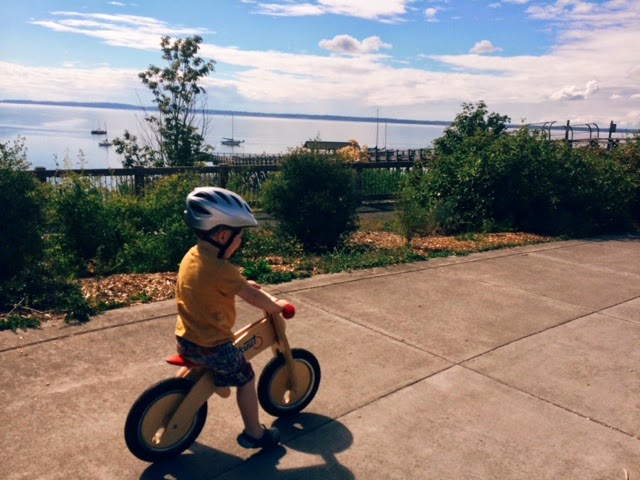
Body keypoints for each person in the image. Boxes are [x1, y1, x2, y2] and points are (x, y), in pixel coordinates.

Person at [175, 186, 289, 449]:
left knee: (197, 369)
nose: (240, 242)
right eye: (239, 237)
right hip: (212, 345)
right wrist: (276, 306)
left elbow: (214, 284)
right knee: (246, 377)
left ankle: (176, 397)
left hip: (187, 338)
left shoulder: (192, 256)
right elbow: (253, 297)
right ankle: (254, 433)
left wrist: (241, 284)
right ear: (223, 235)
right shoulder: (221, 269)